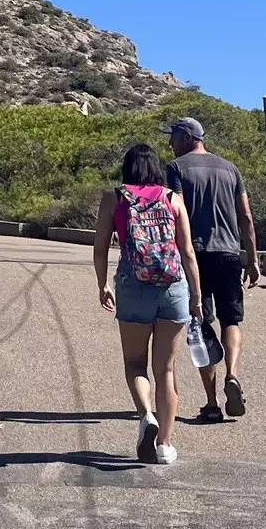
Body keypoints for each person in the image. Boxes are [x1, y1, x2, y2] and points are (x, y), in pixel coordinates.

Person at [93, 142, 202, 465]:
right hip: (172, 286)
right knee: (166, 369)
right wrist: (195, 296)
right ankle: (165, 445)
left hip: (133, 284)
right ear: (156, 168)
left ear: (127, 168)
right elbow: (188, 253)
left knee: (135, 363)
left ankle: (146, 416)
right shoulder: (173, 199)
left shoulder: (114, 198)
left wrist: (102, 284)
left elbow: (100, 247)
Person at [163, 116, 261, 421]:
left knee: (200, 324)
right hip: (230, 253)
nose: (170, 142)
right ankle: (233, 373)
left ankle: (212, 404)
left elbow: (175, 210)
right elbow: (245, 216)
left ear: (187, 136)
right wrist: (253, 258)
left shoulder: (176, 168)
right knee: (232, 320)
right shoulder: (231, 169)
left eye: (173, 136)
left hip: (197, 255)